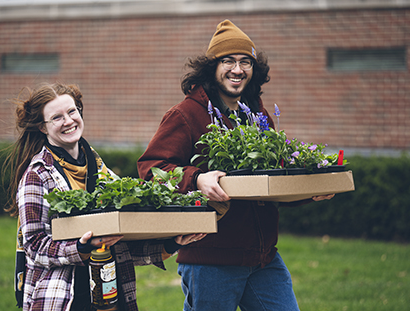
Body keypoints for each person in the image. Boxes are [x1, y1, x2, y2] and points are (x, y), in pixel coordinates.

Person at [137, 20, 334, 311]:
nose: (237, 69)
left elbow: (270, 179)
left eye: (245, 61)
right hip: (211, 259)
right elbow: (151, 168)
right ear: (212, 68)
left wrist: (309, 190)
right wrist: (197, 179)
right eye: (227, 61)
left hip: (263, 258)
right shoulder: (185, 114)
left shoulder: (257, 114)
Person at [4, 82, 205, 311]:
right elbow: (34, 245)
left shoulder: (98, 168)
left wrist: (171, 242)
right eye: (57, 118)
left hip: (111, 298)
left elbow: (121, 243)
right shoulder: (37, 175)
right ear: (42, 127)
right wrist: (81, 248)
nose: (68, 121)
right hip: (64, 300)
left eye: (72, 111)